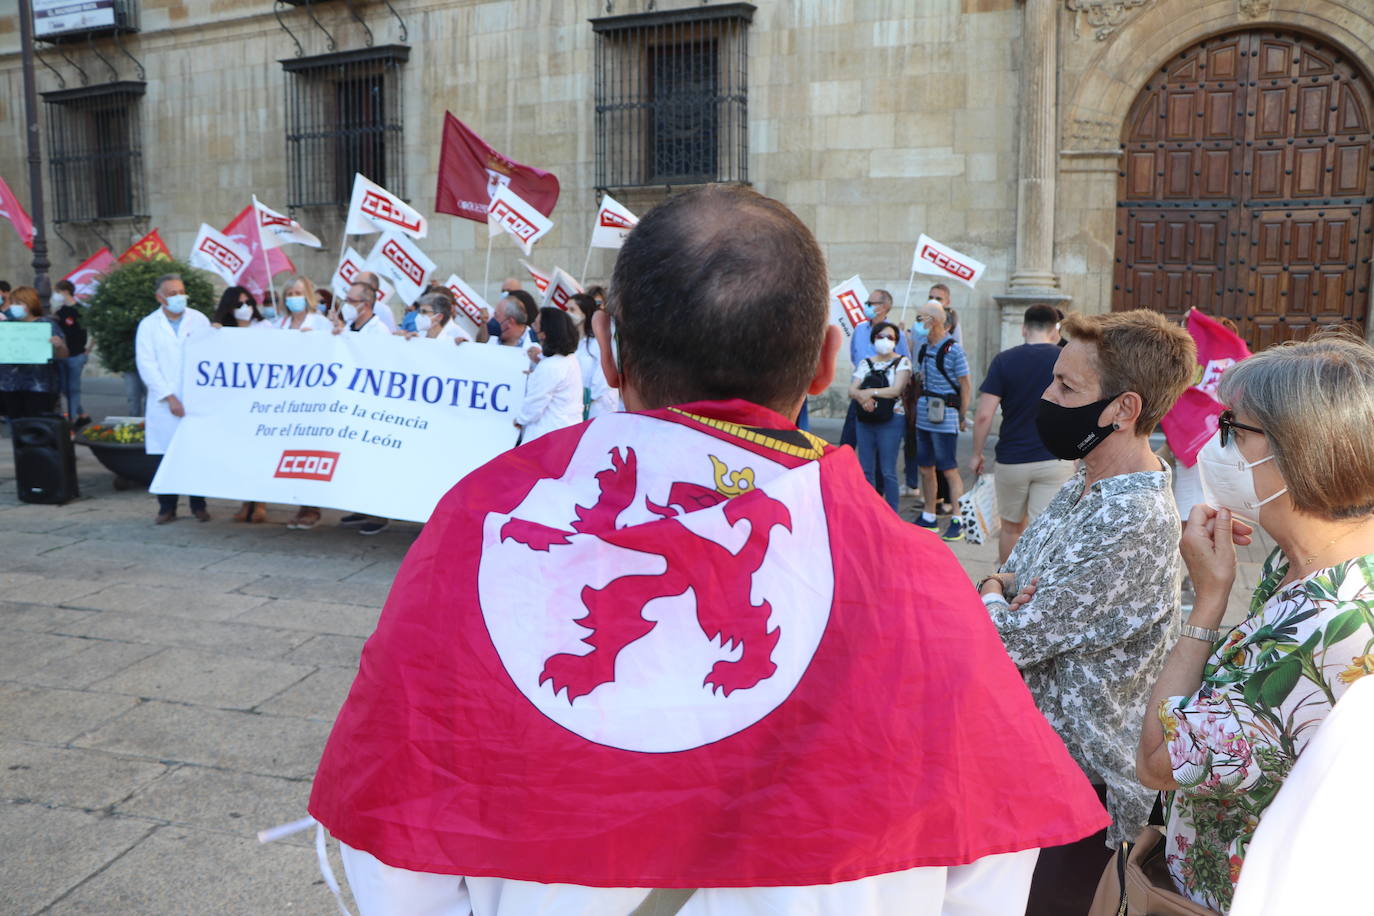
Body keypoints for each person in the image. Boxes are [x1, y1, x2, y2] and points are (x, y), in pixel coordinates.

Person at [308, 184, 1108, 916]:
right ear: (829, 360)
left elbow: (397, 850)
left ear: (608, 349)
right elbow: (987, 872)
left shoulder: (476, 527)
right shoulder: (923, 586)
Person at [1135, 333, 1374, 914]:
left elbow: (1157, 761)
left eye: (1232, 430)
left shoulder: (1321, 629)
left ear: (1301, 451)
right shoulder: (1305, 562)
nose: (1215, 448)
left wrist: (1208, 603)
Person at [975, 308, 1196, 916]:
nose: (1047, 397)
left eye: (1067, 388)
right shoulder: (1086, 480)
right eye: (1054, 380)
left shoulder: (1130, 516)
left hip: (1080, 784)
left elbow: (1008, 636)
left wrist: (996, 591)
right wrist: (1009, 589)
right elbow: (1023, 575)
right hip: (1037, 766)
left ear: (1123, 410)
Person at [970, 304, 1075, 563]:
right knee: (1044, 530)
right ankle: (1036, 592)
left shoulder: (1004, 360)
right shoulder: (1065, 359)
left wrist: (976, 454)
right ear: (1054, 331)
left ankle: (1005, 588)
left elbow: (984, 415)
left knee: (1010, 528)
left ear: (1024, 328)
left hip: (1012, 458)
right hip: (1055, 457)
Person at [135, 274, 212, 524]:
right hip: (164, 401)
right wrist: (169, 397)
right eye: (172, 293)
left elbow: (210, 355)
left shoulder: (199, 319)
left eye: (181, 291)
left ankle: (198, 505)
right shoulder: (148, 325)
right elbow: (147, 364)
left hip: (196, 399)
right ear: (159, 297)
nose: (179, 297)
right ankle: (166, 507)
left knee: (195, 453)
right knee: (165, 456)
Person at [912, 301, 971, 541]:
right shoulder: (924, 347)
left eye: (920, 318)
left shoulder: (954, 350)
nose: (918, 323)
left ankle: (958, 518)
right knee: (926, 467)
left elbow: (965, 384)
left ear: (933, 321)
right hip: (925, 415)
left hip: (945, 417)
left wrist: (962, 415)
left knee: (948, 468)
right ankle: (929, 515)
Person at [847, 321, 911, 513]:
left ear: (896, 341)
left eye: (890, 337)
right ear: (873, 339)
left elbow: (896, 389)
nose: (885, 341)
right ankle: (869, 511)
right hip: (866, 420)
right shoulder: (865, 363)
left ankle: (892, 512)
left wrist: (870, 393)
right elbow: (852, 389)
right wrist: (862, 397)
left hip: (891, 420)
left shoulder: (902, 362)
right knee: (866, 469)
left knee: (887, 470)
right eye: (880, 337)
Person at [839, 288, 908, 454]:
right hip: (859, 395)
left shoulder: (895, 334)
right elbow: (856, 359)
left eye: (870, 304)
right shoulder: (860, 330)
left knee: (877, 450)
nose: (866, 307)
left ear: (883, 307)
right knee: (846, 445)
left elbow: (905, 365)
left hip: (883, 398)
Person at [513, 306, 583, 444]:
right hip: (565, 432)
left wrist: (520, 420)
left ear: (544, 334)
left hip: (548, 437)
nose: (532, 326)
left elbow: (534, 404)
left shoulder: (550, 366)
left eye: (536, 324)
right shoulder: (568, 359)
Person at [0, 286, 68, 420]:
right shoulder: (6, 326)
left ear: (30, 304)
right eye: (12, 303)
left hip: (39, 386)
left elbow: (63, 355)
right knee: (17, 425)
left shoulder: (47, 325)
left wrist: (59, 346)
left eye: (18, 303)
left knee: (39, 426)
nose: (13, 307)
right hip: (10, 386)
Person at [51, 279, 90, 428]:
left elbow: (89, 330)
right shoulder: (60, 312)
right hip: (62, 356)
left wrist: (88, 349)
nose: (56, 295)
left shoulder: (80, 310)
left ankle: (72, 419)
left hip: (76, 355)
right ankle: (82, 414)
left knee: (73, 388)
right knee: (63, 388)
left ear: (65, 292)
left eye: (57, 292)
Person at [571, 292, 617, 419]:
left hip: (597, 407)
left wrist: (586, 398)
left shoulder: (598, 342)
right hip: (578, 406)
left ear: (584, 313)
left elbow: (603, 377)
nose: (567, 313)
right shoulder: (574, 343)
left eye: (572, 310)